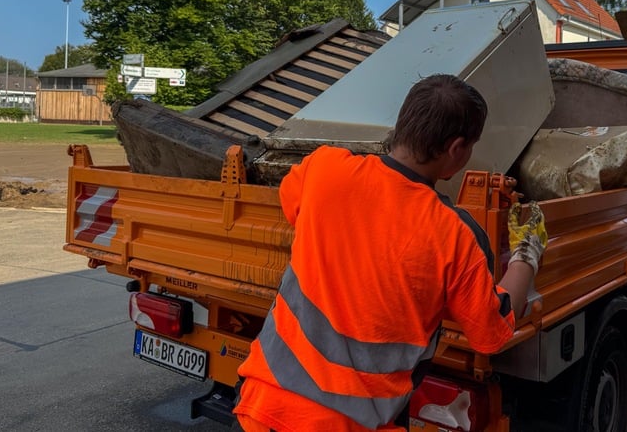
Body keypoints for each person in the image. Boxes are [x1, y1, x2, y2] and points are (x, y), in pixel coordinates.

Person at [232, 73, 548, 431]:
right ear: (457, 149)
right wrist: (527, 252)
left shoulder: (325, 169)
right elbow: (491, 333)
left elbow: (293, 204)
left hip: (259, 411)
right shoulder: (455, 236)